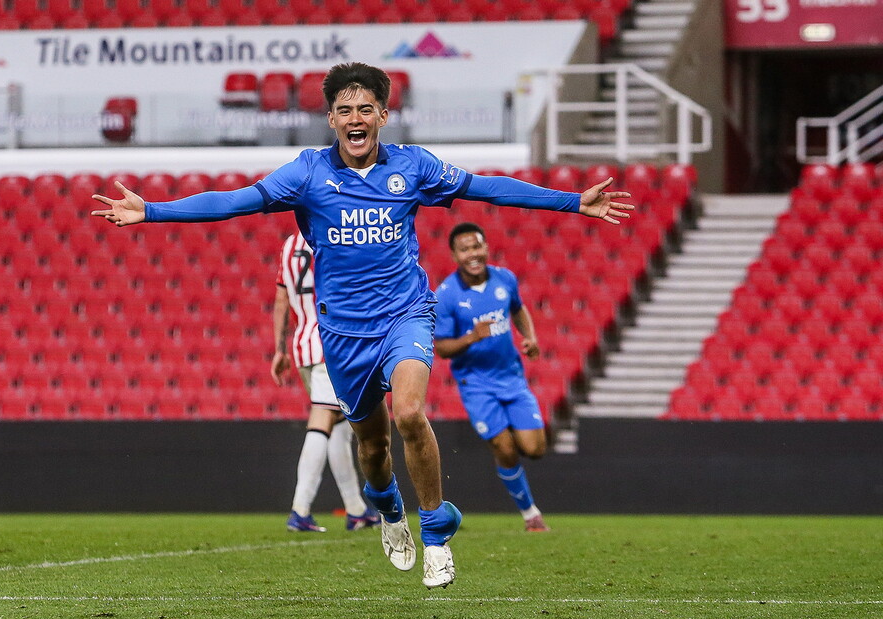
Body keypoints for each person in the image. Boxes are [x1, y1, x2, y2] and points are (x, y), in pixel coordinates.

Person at [92, 61, 633, 589]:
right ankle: (389, 512)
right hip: (344, 334)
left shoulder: (412, 166)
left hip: (406, 315)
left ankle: (436, 536)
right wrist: (155, 211)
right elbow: (235, 202)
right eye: (344, 109)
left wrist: (570, 202)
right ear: (331, 119)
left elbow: (485, 187)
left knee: (411, 413)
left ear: (382, 116)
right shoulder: (306, 172)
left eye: (366, 108)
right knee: (372, 451)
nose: (355, 117)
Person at [434, 222, 551, 532]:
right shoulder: (446, 295)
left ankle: (509, 426)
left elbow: (518, 309)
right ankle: (531, 515)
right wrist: (472, 337)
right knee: (504, 448)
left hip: (512, 377)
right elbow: (442, 348)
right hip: (476, 383)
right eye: (465, 249)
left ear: (485, 248)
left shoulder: (505, 278)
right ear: (455, 255)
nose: (473, 254)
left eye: (477, 247)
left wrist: (530, 337)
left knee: (536, 449)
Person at [272, 231, 381, 533]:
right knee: (323, 417)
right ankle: (300, 509)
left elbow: (281, 299)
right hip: (333, 343)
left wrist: (280, 349)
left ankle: (356, 510)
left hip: (304, 345)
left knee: (340, 427)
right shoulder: (334, 234)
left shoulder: (289, 245)